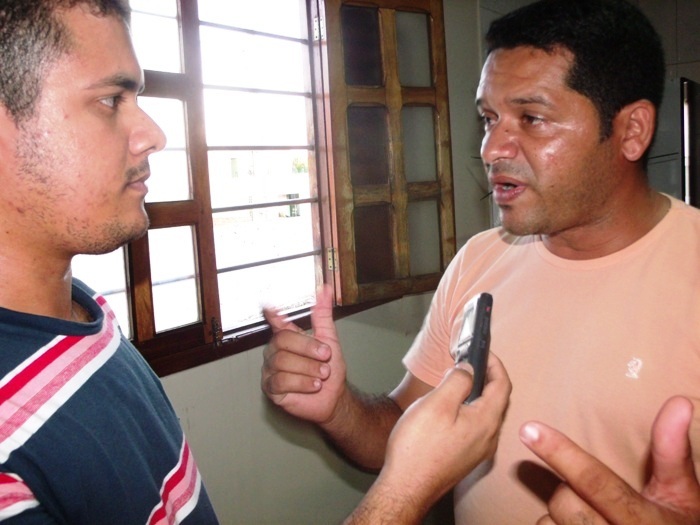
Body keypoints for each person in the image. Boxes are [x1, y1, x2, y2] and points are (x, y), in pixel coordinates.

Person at [0, 1, 512, 523]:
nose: (154, 133)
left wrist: (338, 407)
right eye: (111, 99)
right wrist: (405, 491)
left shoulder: (83, 315)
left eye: (533, 118)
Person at [261, 0, 700, 522]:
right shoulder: (479, 259)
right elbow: (406, 434)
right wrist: (339, 409)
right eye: (489, 119)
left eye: (531, 119)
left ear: (631, 131)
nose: (492, 149)